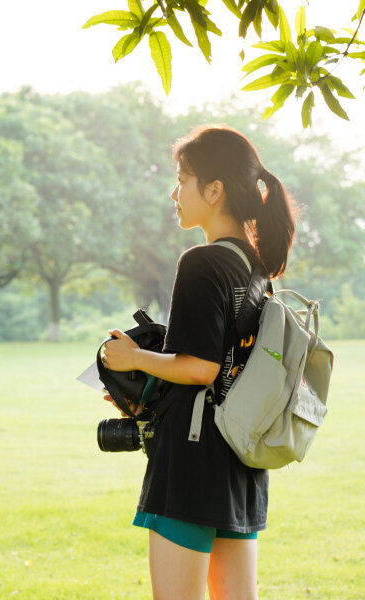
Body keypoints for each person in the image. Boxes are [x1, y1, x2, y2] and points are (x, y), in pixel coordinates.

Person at [102, 124, 295, 600]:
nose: (174, 192)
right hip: (240, 462)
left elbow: (201, 367)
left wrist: (133, 357)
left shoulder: (201, 262)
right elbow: (227, 369)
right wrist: (149, 388)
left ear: (214, 190)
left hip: (191, 464)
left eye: (182, 179)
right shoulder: (254, 269)